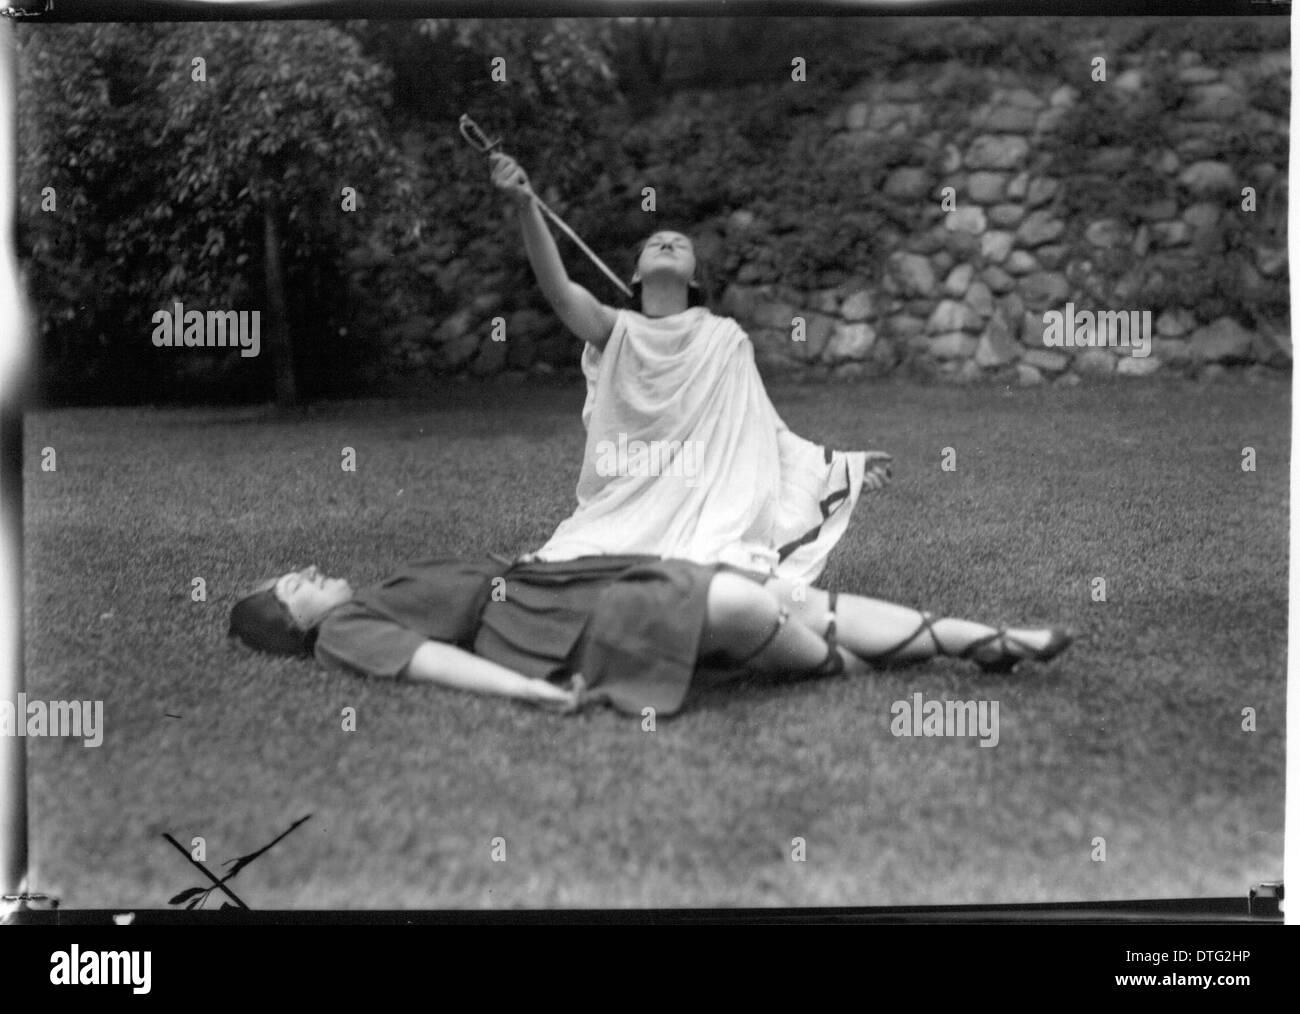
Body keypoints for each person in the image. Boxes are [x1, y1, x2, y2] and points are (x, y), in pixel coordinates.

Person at [490, 153, 892, 587]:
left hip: (703, 508)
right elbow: (560, 292)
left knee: (713, 563)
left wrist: (837, 468)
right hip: (622, 508)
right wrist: (526, 206)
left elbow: (764, 430)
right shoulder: (615, 330)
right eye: (655, 241)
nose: (667, 243)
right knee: (568, 567)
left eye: (680, 243)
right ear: (636, 274)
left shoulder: (724, 338)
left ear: (695, 279)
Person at [228, 556, 1074, 718]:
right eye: (292, 585)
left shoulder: (367, 591)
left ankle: (986, 638)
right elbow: (426, 661)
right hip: (547, 631)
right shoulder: (342, 632)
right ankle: (848, 664)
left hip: (561, 585)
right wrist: (527, 690)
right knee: (746, 607)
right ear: (292, 622)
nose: (307, 574)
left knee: (784, 597)